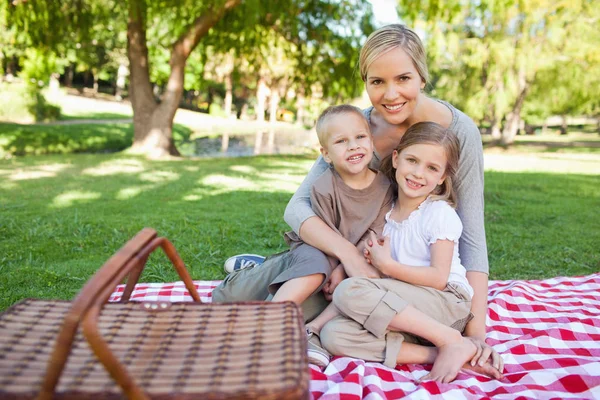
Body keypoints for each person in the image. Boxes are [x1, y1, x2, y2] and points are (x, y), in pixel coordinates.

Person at [227, 24, 503, 377]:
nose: (391, 94)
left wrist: (475, 331)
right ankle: (257, 271)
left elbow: (471, 234)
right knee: (258, 303)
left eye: (403, 78)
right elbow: (297, 208)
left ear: (422, 76)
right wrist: (348, 256)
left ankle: (444, 342)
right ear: (366, 82)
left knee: (341, 304)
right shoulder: (356, 131)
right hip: (348, 258)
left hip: (391, 275)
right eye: (377, 82)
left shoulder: (458, 133)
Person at [211, 104, 394, 366]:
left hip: (350, 261)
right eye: (341, 141)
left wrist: (343, 268)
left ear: (372, 141)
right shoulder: (323, 186)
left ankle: (309, 331)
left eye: (360, 137)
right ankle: (266, 320)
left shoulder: (386, 188)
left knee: (358, 285)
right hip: (314, 252)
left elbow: (373, 234)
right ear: (326, 154)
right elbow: (321, 236)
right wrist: (335, 265)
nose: (353, 146)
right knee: (230, 298)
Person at [316, 122, 482, 383]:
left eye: (432, 168)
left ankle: (450, 339)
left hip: (447, 303)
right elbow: (365, 248)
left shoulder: (438, 213)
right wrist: (340, 268)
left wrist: (388, 266)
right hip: (408, 312)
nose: (418, 173)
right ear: (396, 159)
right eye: (412, 161)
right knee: (334, 335)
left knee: (350, 291)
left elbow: (439, 278)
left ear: (442, 177)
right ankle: (437, 352)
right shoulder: (387, 210)